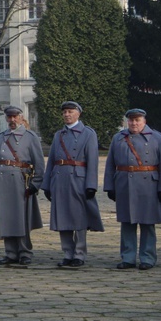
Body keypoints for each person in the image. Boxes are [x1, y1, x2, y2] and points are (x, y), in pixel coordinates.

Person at [41, 101, 104, 267]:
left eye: (70, 111)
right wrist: (47, 184)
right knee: (63, 218)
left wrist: (91, 185)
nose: (67, 115)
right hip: (60, 179)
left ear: (78, 114)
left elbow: (92, 161)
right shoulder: (59, 135)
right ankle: (67, 252)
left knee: (79, 218)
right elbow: (52, 161)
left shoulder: (88, 134)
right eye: (64, 112)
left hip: (79, 179)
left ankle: (79, 254)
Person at [104, 108, 161, 270]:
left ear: (144, 121)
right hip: (125, 184)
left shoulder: (158, 138)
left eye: (137, 120)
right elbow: (110, 164)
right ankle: (128, 257)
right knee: (127, 222)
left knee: (147, 223)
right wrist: (110, 186)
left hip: (149, 185)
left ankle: (148, 257)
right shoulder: (118, 138)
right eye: (131, 120)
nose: (134, 123)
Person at [0, 105, 44, 265]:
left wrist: (36, 182)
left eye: (15, 116)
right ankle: (10, 252)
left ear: (21, 117)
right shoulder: (0, 137)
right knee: (6, 217)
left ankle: (25, 252)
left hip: (21, 182)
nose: (12, 120)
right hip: (3, 182)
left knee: (21, 218)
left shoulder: (30, 137)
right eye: (9, 117)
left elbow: (39, 162)